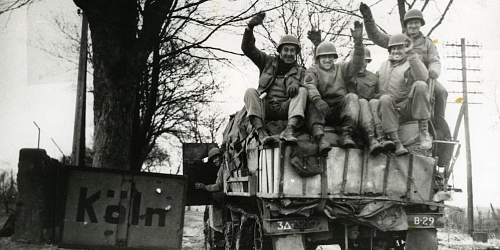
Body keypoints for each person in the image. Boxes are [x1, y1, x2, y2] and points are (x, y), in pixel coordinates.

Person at [359, 3, 451, 141]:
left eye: (416, 23)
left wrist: (433, 70)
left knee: (441, 92)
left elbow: (434, 59)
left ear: (420, 24)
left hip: (423, 77)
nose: (413, 26)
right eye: (410, 23)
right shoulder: (397, 40)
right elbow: (376, 36)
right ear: (406, 25)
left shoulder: (427, 43)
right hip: (401, 79)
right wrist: (368, 19)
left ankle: (437, 122)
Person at [242, 12, 308, 145]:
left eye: (292, 51)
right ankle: (261, 132)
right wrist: (250, 28)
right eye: (286, 50)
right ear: (280, 51)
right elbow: (248, 49)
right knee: (250, 91)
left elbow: (310, 87)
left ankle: (289, 130)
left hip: (286, 108)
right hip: (266, 106)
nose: (289, 53)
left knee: (303, 92)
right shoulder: (266, 61)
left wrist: (299, 85)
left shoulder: (301, 71)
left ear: (296, 53)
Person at [304, 21, 364, 153]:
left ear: (334, 58)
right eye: (324, 57)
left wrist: (358, 44)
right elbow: (309, 85)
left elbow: (357, 64)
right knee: (312, 102)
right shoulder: (312, 70)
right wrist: (318, 100)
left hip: (338, 109)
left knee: (352, 98)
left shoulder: (341, 68)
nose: (327, 60)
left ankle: (346, 134)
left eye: (330, 57)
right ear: (318, 58)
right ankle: (320, 138)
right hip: (321, 108)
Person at [376, 33, 432, 155]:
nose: (396, 51)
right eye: (393, 48)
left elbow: (423, 76)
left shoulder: (410, 63)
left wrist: (411, 54)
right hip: (389, 109)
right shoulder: (383, 66)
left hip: (406, 108)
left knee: (420, 85)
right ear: (390, 50)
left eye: (400, 48)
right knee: (384, 98)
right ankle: (396, 142)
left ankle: (424, 132)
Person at [348, 47, 394, 155]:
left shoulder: (373, 78)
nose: (361, 64)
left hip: (371, 113)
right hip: (354, 115)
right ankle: (371, 138)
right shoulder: (347, 76)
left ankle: (381, 137)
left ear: (368, 61)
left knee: (374, 102)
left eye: (364, 60)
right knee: (363, 102)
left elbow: (379, 94)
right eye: (357, 61)